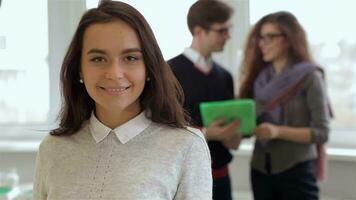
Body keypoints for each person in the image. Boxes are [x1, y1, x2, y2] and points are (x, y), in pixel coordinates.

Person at [33, 1, 212, 199]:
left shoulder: (186, 146)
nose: (114, 74)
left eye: (130, 58)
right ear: (79, 70)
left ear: (148, 68)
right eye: (98, 59)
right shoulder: (52, 148)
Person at [239, 11, 331, 200]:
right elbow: (250, 126)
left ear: (289, 39)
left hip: (296, 171)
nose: (262, 43)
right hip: (260, 170)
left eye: (270, 37)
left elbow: (322, 132)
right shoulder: (257, 79)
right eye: (260, 38)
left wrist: (277, 131)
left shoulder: (310, 77)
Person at [168, 1, 240, 199]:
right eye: (222, 30)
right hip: (184, 181)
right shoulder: (169, 73)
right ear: (199, 31)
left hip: (221, 178)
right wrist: (207, 133)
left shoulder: (225, 76)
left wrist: (233, 135)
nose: (228, 36)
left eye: (229, 29)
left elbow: (232, 142)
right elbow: (161, 129)